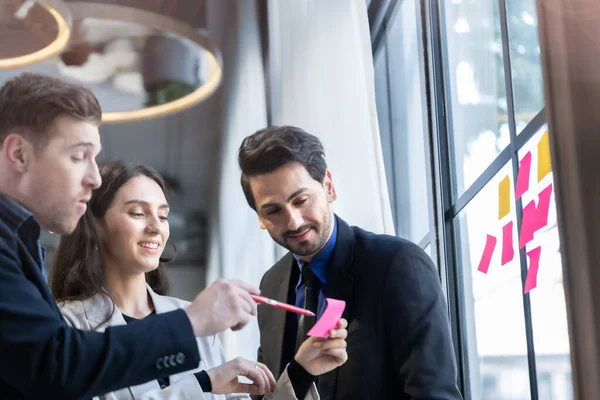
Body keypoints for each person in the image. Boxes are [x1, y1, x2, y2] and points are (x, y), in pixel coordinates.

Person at [0, 72, 261, 400]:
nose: (94, 177)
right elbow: (55, 367)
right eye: (79, 156)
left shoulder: (22, 242)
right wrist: (193, 328)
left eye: (163, 215)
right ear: (19, 154)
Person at [51, 161, 349, 400]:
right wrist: (203, 383)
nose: (157, 228)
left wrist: (301, 369)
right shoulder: (65, 327)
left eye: (164, 216)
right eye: (138, 213)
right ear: (95, 225)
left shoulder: (195, 323)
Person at [238, 126, 464, 400]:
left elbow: (434, 393)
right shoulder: (271, 284)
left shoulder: (397, 264)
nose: (294, 222)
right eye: (273, 210)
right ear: (260, 218)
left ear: (329, 187)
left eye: (301, 200)